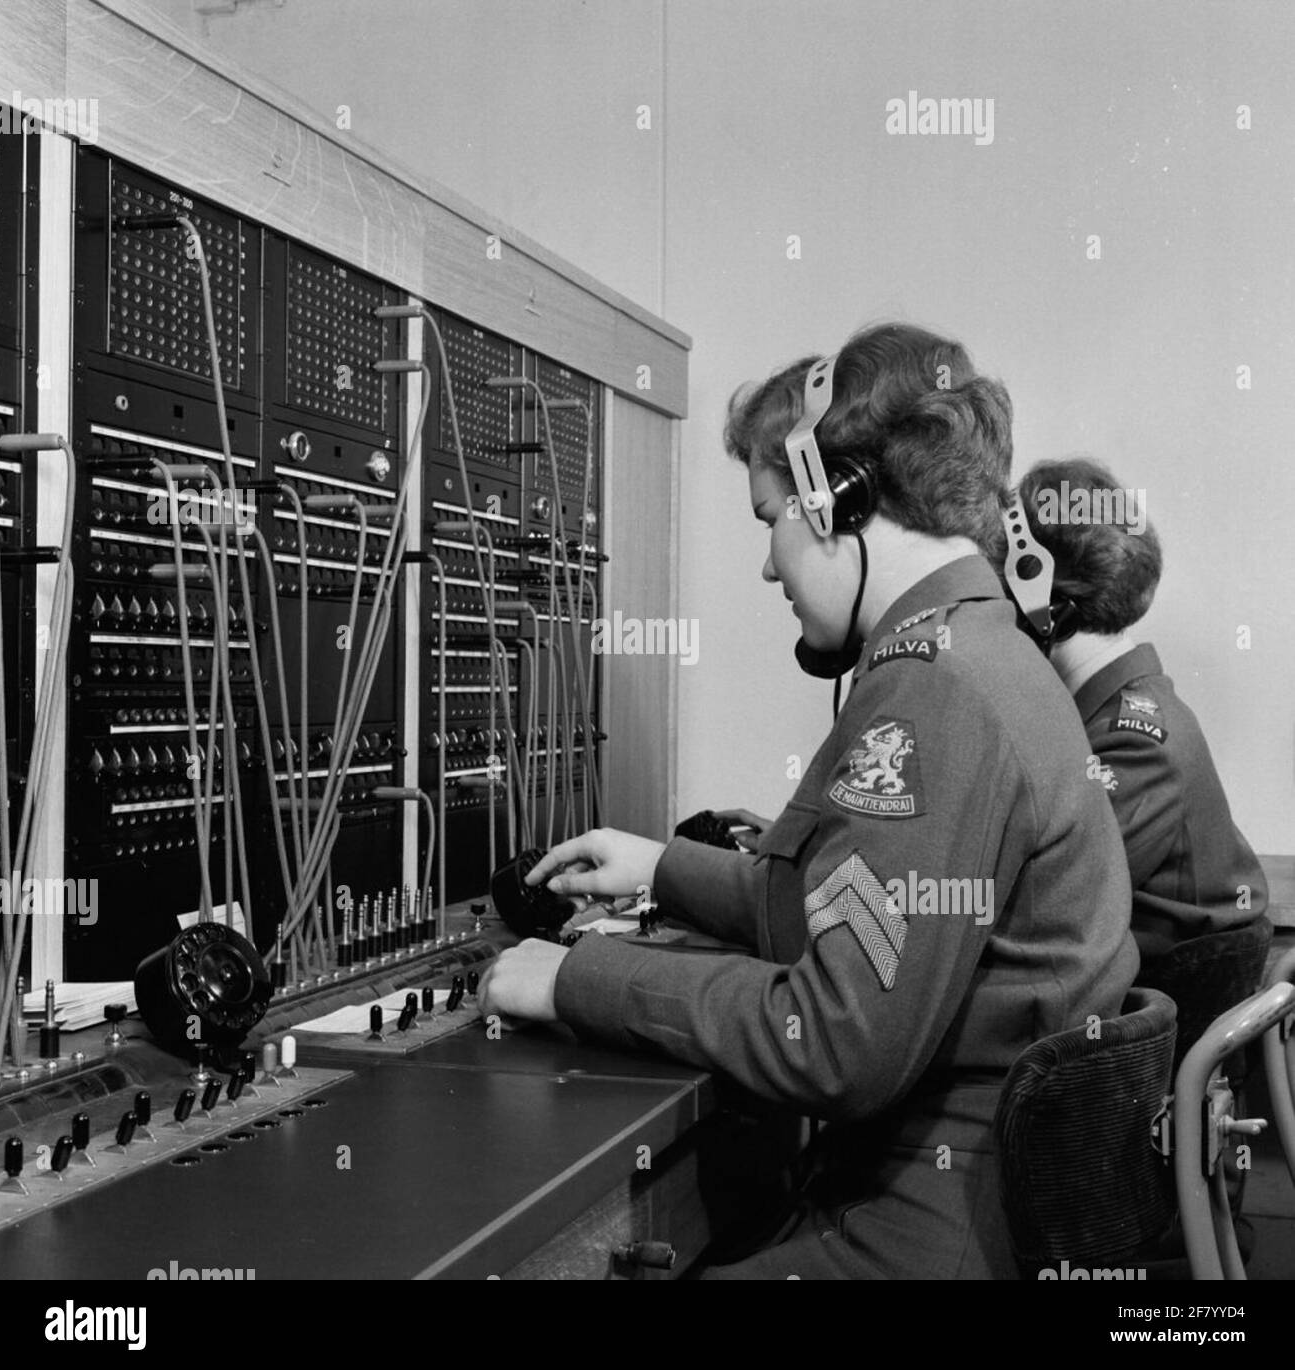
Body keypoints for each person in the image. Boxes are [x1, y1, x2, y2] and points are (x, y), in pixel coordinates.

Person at [479, 323, 1139, 1279]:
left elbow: (835, 1038)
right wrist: (663, 865)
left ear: (839, 500)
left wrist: (574, 979)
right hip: (959, 1200)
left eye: (769, 521)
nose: (766, 566)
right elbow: (848, 912)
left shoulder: (936, 694)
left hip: (925, 1232)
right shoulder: (974, 652)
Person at [1013, 458, 1267, 964]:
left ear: (1038, 600)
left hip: (1157, 1010)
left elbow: (1052, 902)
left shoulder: (1134, 742)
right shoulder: (1113, 712)